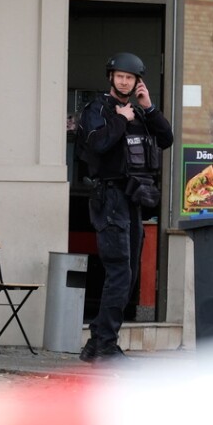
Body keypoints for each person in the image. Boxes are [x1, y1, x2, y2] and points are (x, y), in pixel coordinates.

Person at [74, 52, 173, 362]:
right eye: (120, 76)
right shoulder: (97, 110)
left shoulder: (139, 111)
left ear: (137, 81)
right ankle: (105, 345)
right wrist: (120, 119)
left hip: (132, 200)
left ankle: (96, 343)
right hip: (109, 197)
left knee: (127, 274)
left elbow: (166, 138)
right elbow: (99, 145)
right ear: (111, 77)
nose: (124, 81)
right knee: (119, 272)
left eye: (130, 78)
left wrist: (148, 107)